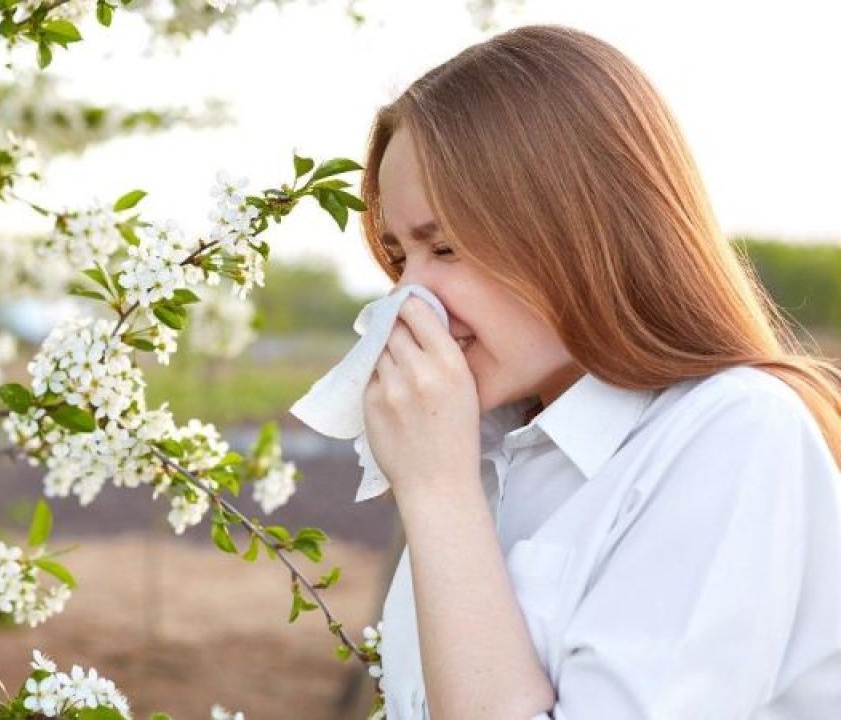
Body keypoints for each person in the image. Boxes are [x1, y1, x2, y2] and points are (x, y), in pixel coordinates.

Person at [358, 23, 841, 720]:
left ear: (579, 228)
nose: (410, 299)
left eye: (447, 248)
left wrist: (438, 494)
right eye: (401, 257)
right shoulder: (488, 449)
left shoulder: (734, 434)